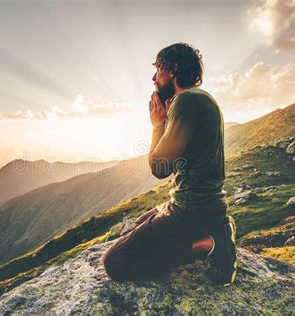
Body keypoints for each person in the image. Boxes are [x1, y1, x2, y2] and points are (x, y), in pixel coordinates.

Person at [102, 43, 237, 286]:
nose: (154, 78)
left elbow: (160, 168)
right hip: (205, 205)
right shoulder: (199, 99)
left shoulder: (186, 102)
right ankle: (215, 227)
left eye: (158, 69)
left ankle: (207, 244)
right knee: (143, 220)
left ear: (173, 69)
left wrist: (157, 126)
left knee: (116, 262)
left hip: (191, 210)